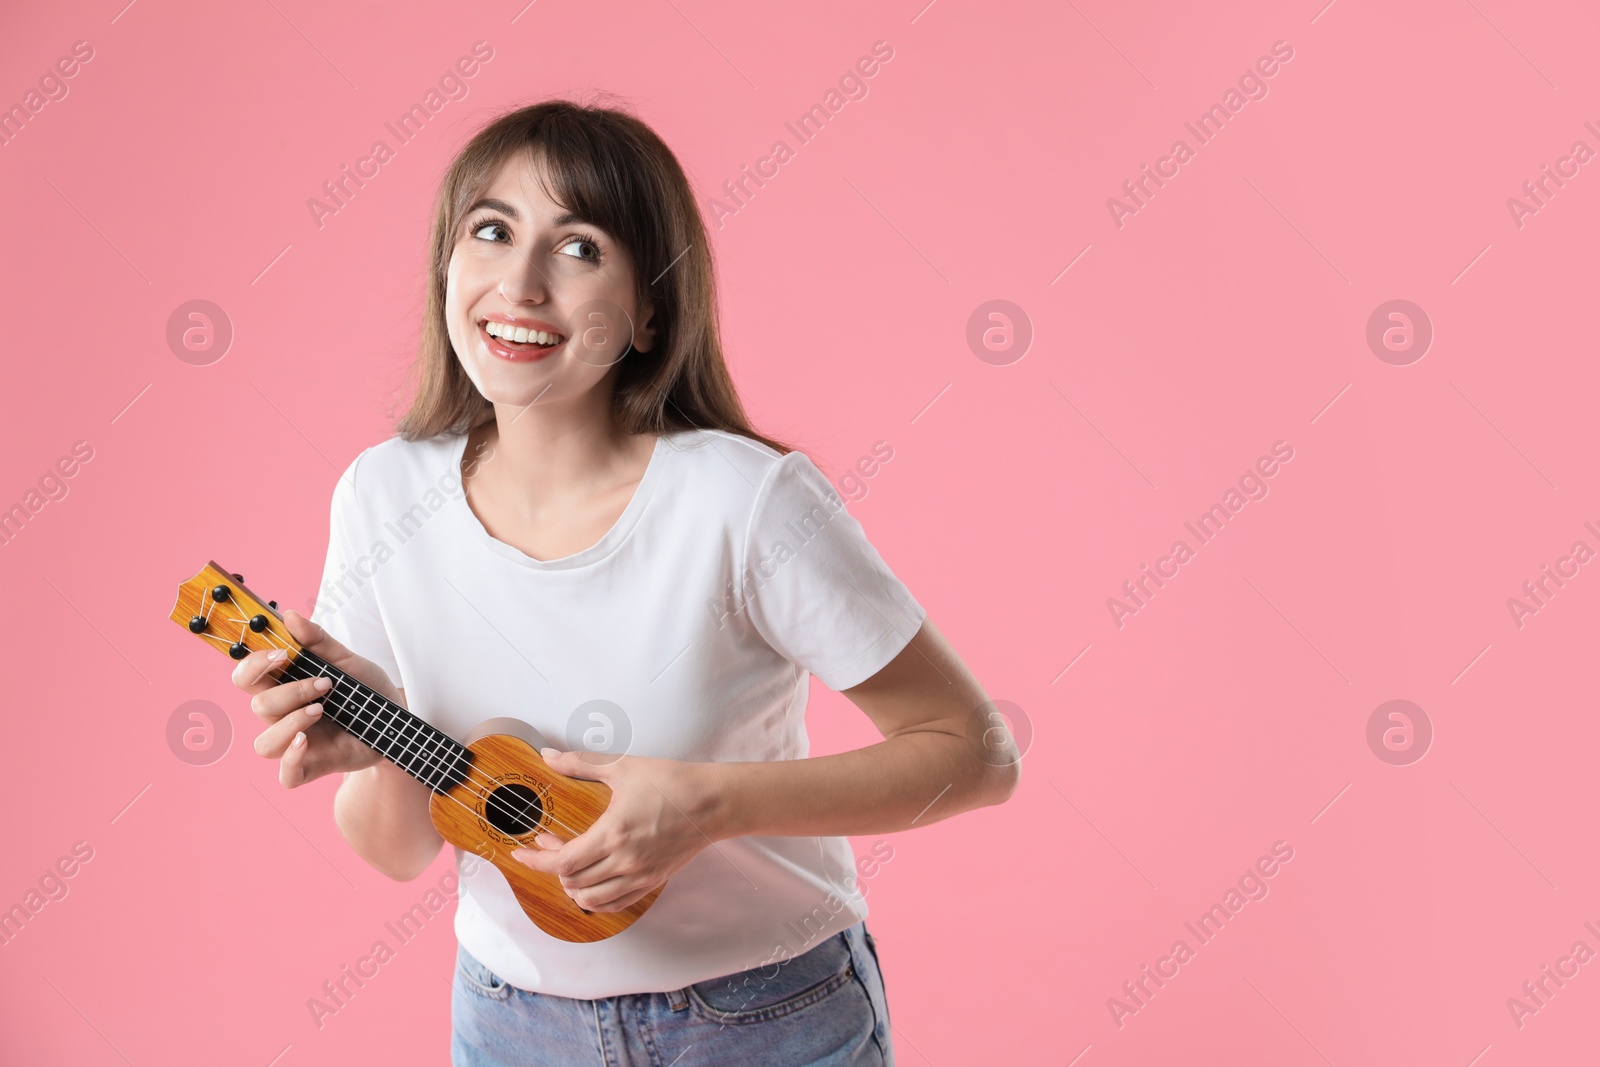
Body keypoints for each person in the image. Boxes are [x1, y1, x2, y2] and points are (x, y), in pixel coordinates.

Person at [230, 98, 1019, 1067]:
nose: (519, 283)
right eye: (490, 231)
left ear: (650, 308)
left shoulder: (744, 500)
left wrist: (710, 805)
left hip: (764, 1016)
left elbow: (976, 753)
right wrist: (381, 734)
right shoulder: (381, 492)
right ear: (448, 264)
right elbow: (397, 852)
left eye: (579, 249)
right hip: (512, 1021)